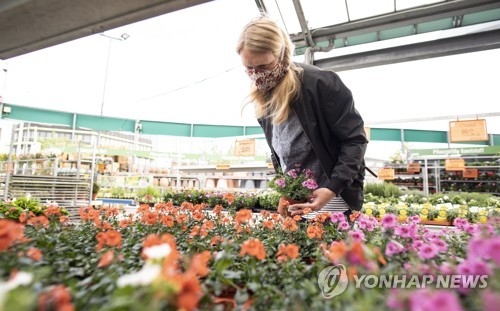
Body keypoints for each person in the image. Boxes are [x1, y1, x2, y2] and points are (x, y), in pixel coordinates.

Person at [236, 16, 368, 220]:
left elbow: (355, 140)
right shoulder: (265, 95)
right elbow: (280, 153)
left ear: (281, 54)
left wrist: (332, 188)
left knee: (330, 250)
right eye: (249, 69)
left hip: (334, 200)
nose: (256, 76)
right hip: (298, 202)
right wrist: (286, 192)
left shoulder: (321, 84)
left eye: (263, 67)